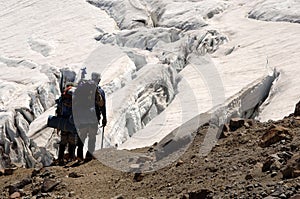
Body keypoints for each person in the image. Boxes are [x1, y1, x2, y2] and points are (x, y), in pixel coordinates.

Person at [75, 72, 107, 162]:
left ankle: (79, 156)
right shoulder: (99, 91)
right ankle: (89, 156)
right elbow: (102, 106)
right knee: (92, 138)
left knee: (82, 137)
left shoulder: (82, 90)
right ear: (99, 80)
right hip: (94, 118)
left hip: (82, 117)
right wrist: (104, 118)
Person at [55, 82, 78, 165]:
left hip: (63, 122)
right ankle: (71, 158)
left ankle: (60, 158)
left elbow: (58, 110)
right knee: (72, 141)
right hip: (72, 122)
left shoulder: (62, 98)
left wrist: (58, 124)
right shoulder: (76, 98)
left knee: (63, 141)